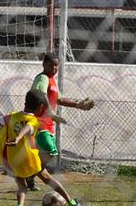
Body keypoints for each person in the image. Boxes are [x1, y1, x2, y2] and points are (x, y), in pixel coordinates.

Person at [0, 89, 82, 206]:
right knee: (47, 178)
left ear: (25, 102)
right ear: (41, 107)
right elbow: (27, 128)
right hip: (30, 159)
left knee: (22, 185)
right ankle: (71, 202)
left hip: (13, 160)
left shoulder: (12, 116)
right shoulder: (34, 121)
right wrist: (19, 137)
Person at [26, 53, 95, 191]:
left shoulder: (52, 81)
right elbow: (41, 94)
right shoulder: (43, 78)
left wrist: (78, 104)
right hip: (39, 122)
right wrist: (51, 113)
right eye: (51, 64)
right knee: (50, 151)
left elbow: (60, 100)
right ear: (44, 64)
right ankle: (30, 173)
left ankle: (29, 174)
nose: (54, 67)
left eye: (56, 65)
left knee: (44, 152)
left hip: (48, 124)